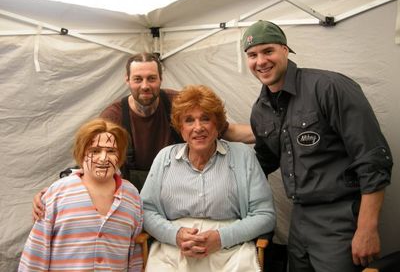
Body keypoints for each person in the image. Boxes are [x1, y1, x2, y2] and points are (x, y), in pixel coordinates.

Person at [241, 20, 393, 272]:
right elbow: (264, 161)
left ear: (285, 50)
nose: (260, 61)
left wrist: (367, 228)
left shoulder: (329, 87)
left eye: (268, 51)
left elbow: (374, 158)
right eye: (252, 55)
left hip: (340, 217)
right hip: (298, 218)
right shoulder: (261, 109)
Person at [33, 52, 255, 220]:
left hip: (177, 198)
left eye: (151, 78)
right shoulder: (115, 115)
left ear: (160, 79)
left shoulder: (178, 103)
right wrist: (55, 190)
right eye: (138, 79)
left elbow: (227, 130)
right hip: (133, 198)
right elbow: (92, 157)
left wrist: (270, 133)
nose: (145, 86)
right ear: (127, 80)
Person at [140, 85, 276, 272]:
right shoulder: (165, 158)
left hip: (231, 249)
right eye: (189, 120)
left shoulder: (242, 156)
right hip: (174, 249)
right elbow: (146, 210)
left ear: (218, 124)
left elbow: (265, 215)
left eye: (205, 119)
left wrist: (221, 238)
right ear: (181, 127)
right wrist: (176, 235)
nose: (198, 128)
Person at [19, 118, 143, 271]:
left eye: (111, 151)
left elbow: (133, 253)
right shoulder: (57, 194)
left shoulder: (132, 197)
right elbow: (36, 252)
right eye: (95, 151)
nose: (103, 158)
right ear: (82, 152)